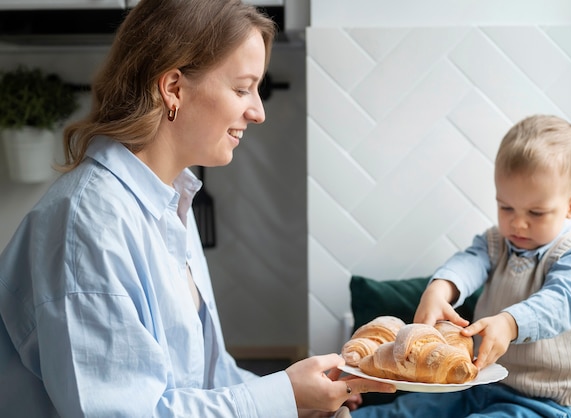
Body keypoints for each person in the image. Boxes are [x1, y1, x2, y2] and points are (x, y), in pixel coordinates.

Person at [0, 0, 395, 416]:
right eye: (242, 88)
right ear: (173, 88)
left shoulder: (170, 203)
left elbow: (208, 383)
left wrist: (303, 401)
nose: (258, 111)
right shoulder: (88, 226)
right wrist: (283, 398)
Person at [351, 114, 571, 418]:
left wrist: (510, 323)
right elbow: (469, 262)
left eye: (536, 213)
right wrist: (440, 289)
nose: (518, 222)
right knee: (406, 411)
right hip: (479, 385)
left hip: (548, 404)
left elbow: (561, 301)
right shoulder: (496, 242)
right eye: (506, 207)